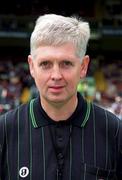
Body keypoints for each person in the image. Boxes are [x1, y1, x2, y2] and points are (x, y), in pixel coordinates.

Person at [0, 14, 122, 180]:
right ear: (32, 66)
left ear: (83, 66)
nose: (56, 75)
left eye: (66, 63)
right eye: (45, 64)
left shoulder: (114, 132)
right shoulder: (5, 131)